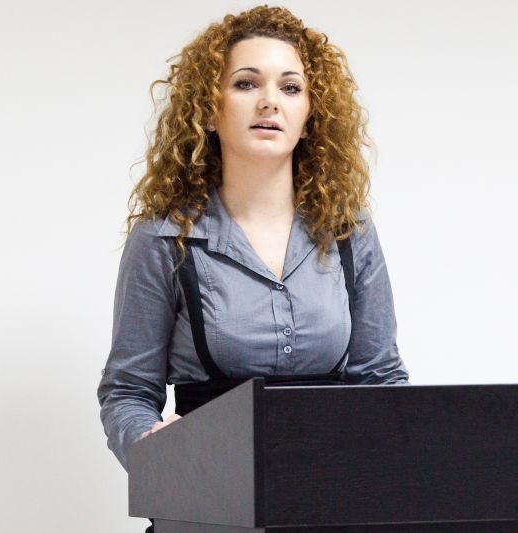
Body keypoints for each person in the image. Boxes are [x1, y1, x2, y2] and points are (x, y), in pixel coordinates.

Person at [97, 4, 410, 478]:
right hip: (209, 488)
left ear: (311, 114)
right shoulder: (164, 236)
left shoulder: (349, 229)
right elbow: (128, 392)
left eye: (291, 87)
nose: (270, 102)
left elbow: (381, 380)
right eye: (246, 84)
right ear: (209, 107)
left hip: (332, 490)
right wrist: (152, 446)